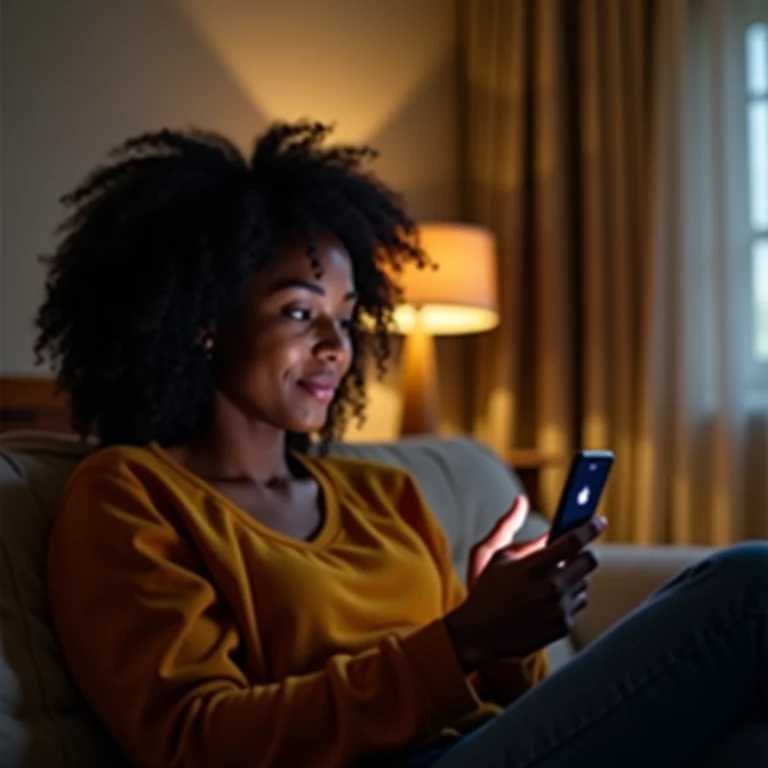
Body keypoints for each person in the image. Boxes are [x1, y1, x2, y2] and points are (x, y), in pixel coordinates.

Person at [36, 122, 767, 768]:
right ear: (204, 321)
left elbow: (487, 701)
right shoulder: (132, 496)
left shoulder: (383, 495)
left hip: (478, 745)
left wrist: (505, 640)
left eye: (348, 320)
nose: (335, 347)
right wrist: (462, 640)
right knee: (746, 587)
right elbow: (193, 742)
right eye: (299, 311)